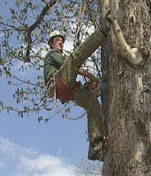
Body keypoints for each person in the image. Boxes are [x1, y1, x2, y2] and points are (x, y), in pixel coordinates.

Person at [43, 13, 111, 161]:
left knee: (93, 104)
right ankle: (103, 31)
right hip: (57, 84)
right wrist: (92, 76)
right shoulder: (52, 54)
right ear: (51, 44)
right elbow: (73, 63)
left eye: (61, 41)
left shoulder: (60, 57)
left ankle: (96, 147)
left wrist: (94, 83)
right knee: (75, 58)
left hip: (68, 90)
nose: (60, 43)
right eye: (57, 41)